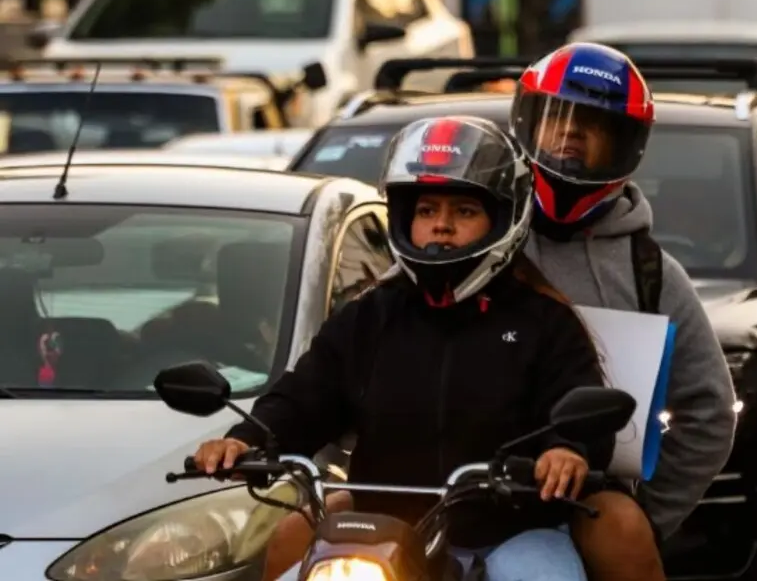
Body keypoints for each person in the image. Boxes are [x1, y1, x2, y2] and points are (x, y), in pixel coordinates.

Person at [190, 116, 612, 581]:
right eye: (427, 211)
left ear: (503, 219)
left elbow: (578, 406)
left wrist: (567, 450)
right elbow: (306, 396)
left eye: (465, 212)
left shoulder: (545, 323)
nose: (442, 227)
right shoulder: (369, 316)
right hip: (381, 533)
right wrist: (246, 440)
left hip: (511, 531)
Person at [511, 42, 737, 580]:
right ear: (529, 122)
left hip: (586, 502)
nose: (570, 134)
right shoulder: (476, 240)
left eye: (592, 125)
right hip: (452, 488)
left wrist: (647, 518)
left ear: (623, 145)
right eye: (558, 118)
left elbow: (709, 413)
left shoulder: (652, 275)